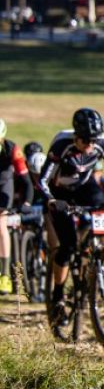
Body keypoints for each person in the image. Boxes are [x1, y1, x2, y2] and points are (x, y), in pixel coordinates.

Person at [40, 108, 104, 324]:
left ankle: (99, 253)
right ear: (76, 136)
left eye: (94, 140)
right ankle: (58, 296)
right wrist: (50, 200)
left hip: (86, 187)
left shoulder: (102, 143)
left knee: (103, 207)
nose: (91, 145)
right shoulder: (61, 144)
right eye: (86, 141)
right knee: (67, 245)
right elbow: (42, 179)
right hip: (60, 193)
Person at [0, 120, 34, 294]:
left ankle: (4, 275)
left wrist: (27, 202)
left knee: (0, 224)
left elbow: (27, 181)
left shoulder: (13, 149)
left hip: (3, 185)